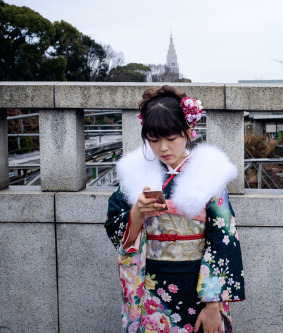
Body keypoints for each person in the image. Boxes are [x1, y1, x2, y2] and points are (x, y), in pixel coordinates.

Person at [105, 85, 245, 333]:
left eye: (171, 138)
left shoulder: (208, 174)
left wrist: (213, 303)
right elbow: (115, 227)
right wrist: (137, 211)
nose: (163, 148)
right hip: (151, 283)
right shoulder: (136, 175)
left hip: (198, 287)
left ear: (189, 131)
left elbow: (224, 240)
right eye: (154, 140)